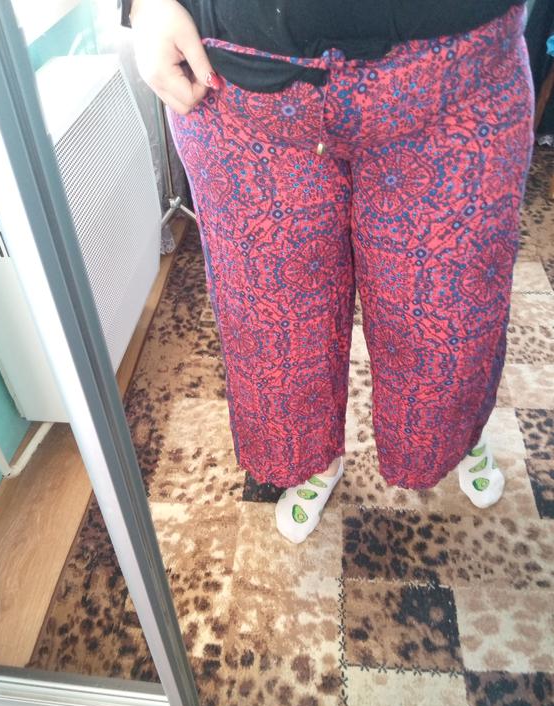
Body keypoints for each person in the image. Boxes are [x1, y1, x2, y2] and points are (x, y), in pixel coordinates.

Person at [123, 0, 534, 543]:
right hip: (237, 88)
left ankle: (459, 433)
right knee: (277, 336)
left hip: (457, 72)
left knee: (447, 328)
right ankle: (313, 459)